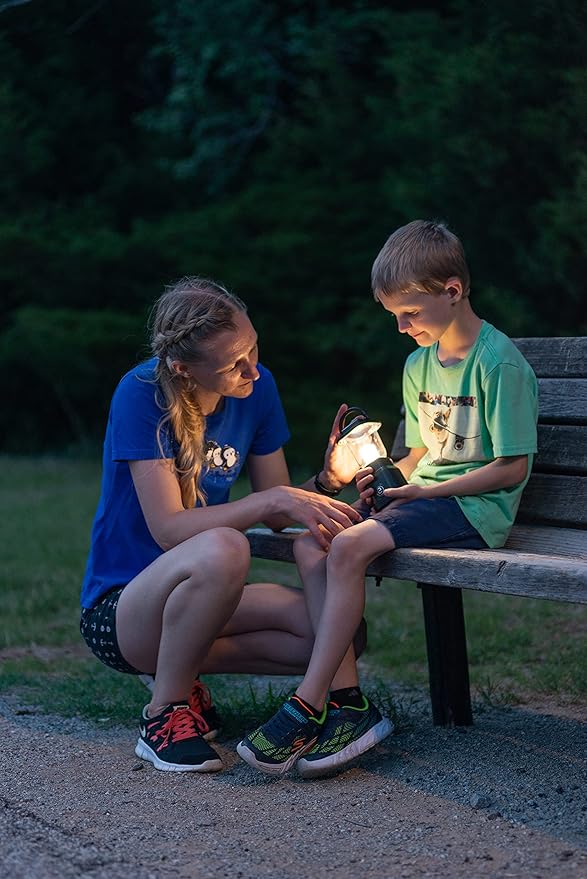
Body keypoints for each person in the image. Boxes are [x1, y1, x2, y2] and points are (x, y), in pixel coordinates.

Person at [238, 219, 538, 778]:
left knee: (348, 548)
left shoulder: (498, 364)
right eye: (393, 315)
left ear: (452, 291)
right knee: (313, 546)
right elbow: (420, 452)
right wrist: (380, 473)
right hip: (427, 497)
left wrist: (426, 489)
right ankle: (351, 706)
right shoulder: (418, 365)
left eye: (410, 313)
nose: (401, 327)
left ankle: (310, 701)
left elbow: (510, 467)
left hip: (476, 507)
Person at [80, 276, 363, 773]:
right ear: (184, 369)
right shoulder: (140, 392)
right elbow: (170, 529)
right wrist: (268, 501)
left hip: (201, 601)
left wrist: (325, 481)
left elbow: (275, 512)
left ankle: (190, 677)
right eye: (234, 363)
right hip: (124, 608)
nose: (252, 368)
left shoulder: (258, 387)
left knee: (339, 634)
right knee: (225, 547)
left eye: (253, 347)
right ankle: (163, 714)